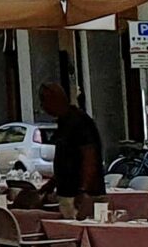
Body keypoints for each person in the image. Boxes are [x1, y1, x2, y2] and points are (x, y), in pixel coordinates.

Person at [42, 80, 103, 218]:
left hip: (78, 195)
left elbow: (89, 156)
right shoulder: (64, 122)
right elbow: (66, 161)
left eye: (44, 101)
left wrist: (83, 190)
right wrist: (53, 183)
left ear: (55, 100)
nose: (43, 107)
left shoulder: (79, 122)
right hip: (68, 192)